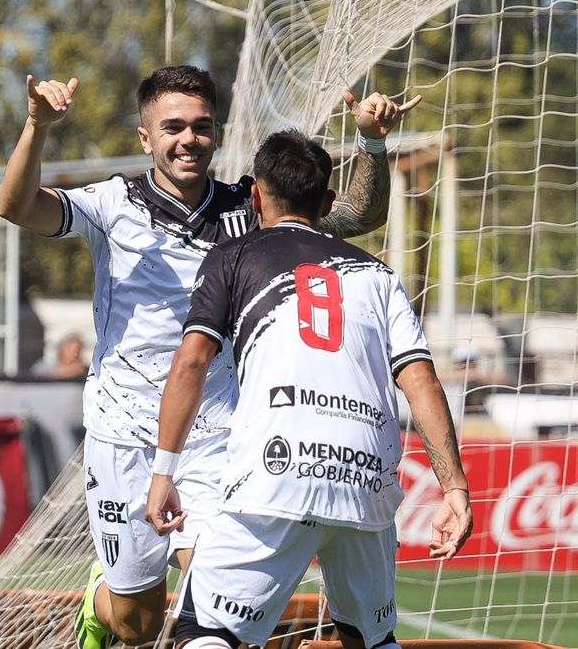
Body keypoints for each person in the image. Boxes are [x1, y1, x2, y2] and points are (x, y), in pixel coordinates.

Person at [0, 65, 419, 648]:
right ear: (146, 138)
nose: (187, 139)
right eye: (171, 127)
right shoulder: (110, 204)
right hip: (123, 432)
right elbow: (16, 206)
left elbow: (359, 217)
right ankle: (101, 603)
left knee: (211, 599)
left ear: (215, 133)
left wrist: (372, 141)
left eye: (200, 126)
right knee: (136, 624)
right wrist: (38, 125)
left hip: (217, 433)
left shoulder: (248, 210)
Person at [145, 130, 471, 649]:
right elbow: (420, 380)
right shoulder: (377, 273)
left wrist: (164, 471)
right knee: (372, 638)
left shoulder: (234, 255)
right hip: (365, 478)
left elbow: (191, 361)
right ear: (326, 204)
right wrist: (454, 486)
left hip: (274, 475)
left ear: (255, 197)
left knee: (204, 633)